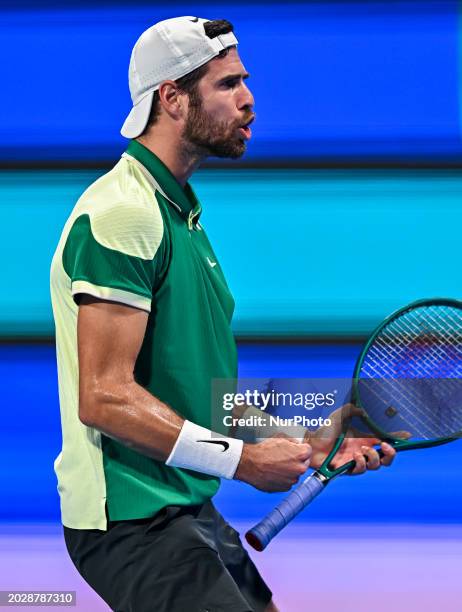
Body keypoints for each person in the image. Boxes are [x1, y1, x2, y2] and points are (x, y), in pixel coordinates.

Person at [50, 16, 397, 612]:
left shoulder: (178, 217)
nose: (249, 100)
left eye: (245, 82)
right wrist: (244, 461)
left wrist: (311, 437)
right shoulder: (123, 214)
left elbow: (193, 389)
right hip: (132, 522)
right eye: (228, 84)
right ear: (173, 99)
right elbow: (104, 397)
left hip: (184, 508)